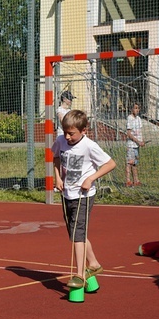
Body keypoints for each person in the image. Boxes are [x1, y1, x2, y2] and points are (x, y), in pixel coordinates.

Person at [52, 109, 117, 288]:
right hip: (67, 194)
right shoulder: (60, 141)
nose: (67, 137)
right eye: (65, 132)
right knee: (75, 233)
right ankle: (94, 264)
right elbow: (56, 158)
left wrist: (90, 179)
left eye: (71, 133)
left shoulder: (89, 146)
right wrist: (58, 178)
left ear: (84, 131)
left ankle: (80, 274)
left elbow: (111, 164)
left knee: (77, 233)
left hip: (84, 195)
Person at [125, 102, 144, 186]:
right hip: (131, 145)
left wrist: (142, 141)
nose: (137, 110)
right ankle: (128, 181)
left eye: (138, 108)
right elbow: (129, 134)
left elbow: (140, 132)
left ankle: (136, 180)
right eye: (135, 108)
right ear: (131, 109)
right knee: (129, 163)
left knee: (135, 163)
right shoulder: (130, 118)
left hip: (137, 145)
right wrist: (137, 141)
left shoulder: (139, 119)